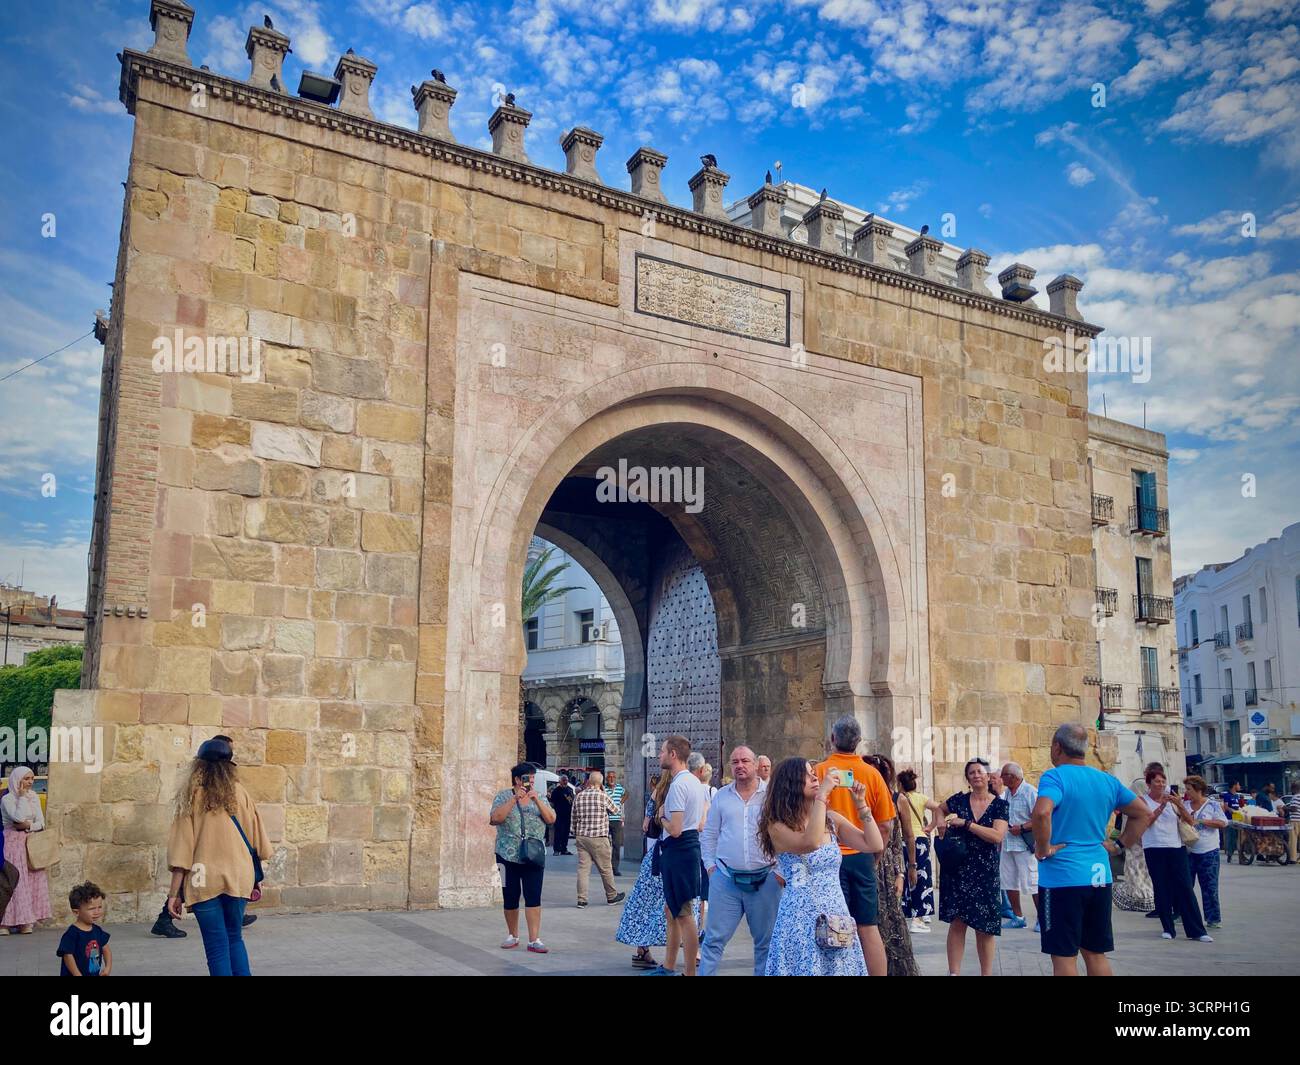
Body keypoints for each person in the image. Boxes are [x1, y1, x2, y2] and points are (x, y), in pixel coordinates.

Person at [1032, 723, 1152, 975]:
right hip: (1099, 876)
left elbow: (1042, 811)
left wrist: (1043, 848)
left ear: (1057, 747)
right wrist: (1119, 845)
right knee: (1095, 953)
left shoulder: (1055, 776)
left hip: (1062, 879)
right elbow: (1143, 813)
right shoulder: (1106, 780)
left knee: (1064, 956)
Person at [759, 757, 884, 975]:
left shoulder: (831, 820)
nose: (815, 776)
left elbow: (873, 843)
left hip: (835, 913)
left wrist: (861, 805)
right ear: (790, 783)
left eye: (813, 772)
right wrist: (822, 796)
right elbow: (810, 842)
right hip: (800, 918)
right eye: (807, 774)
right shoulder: (777, 825)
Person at [165, 737, 273, 975]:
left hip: (203, 878)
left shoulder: (191, 796)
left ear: (199, 765)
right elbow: (260, 843)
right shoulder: (241, 793)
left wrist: (173, 894)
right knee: (234, 938)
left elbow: (181, 850)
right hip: (239, 875)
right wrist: (257, 877)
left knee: (216, 946)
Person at [813, 715, 896, 975]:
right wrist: (875, 855)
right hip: (862, 856)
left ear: (832, 739)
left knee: (833, 926)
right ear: (859, 742)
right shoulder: (872, 775)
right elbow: (885, 825)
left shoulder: (820, 772)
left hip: (828, 859)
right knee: (868, 926)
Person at [699, 745, 780, 976]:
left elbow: (785, 832)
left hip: (766, 880)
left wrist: (780, 872)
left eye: (745, 761)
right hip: (726, 880)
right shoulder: (722, 796)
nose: (740, 766)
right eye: (735, 762)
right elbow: (710, 835)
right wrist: (710, 867)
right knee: (713, 941)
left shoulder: (771, 796)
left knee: (765, 944)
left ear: (755, 765)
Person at [924, 757, 1008, 976]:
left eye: (980, 771)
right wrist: (938, 823)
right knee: (958, 923)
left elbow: (997, 836)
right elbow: (939, 809)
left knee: (985, 928)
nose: (976, 775)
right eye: (972, 773)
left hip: (985, 871)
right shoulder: (959, 800)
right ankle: (954, 973)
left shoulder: (999, 805)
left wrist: (968, 824)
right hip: (958, 870)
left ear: (988, 776)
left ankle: (986, 973)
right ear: (968, 778)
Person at [617, 773, 698, 970]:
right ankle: (692, 954)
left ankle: (642, 949)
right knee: (682, 907)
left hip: (656, 856)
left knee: (646, 904)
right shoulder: (684, 791)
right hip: (675, 855)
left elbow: (646, 826)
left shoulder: (657, 793)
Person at [650, 735, 709, 976]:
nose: (659, 756)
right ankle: (669, 966)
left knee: (683, 914)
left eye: (662, 752)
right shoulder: (695, 783)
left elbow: (674, 829)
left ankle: (688, 973)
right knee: (673, 910)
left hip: (679, 850)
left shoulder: (678, 785)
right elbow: (700, 823)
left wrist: (661, 815)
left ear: (673, 754)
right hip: (689, 848)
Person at [1141, 766, 1212, 943]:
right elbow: (1146, 822)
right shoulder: (1142, 801)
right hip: (1154, 847)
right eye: (1157, 781)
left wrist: (1179, 803)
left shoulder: (1175, 800)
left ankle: (1197, 930)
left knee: (1185, 887)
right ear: (1149, 784)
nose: (1161, 784)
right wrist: (1162, 806)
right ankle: (1168, 928)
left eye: (1163, 781)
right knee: (1161, 887)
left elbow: (1191, 821)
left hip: (1176, 847)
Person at [863, 753, 919, 976]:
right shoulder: (857, 798)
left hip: (886, 869)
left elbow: (903, 838)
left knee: (890, 924)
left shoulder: (898, 799)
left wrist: (905, 871)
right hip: (863, 863)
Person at [490, 762, 555, 952]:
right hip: (505, 855)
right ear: (518, 780)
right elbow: (495, 819)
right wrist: (513, 799)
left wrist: (537, 801)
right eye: (528, 778)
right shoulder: (503, 796)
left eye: (533, 778)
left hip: (534, 855)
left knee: (533, 895)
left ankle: (534, 939)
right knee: (509, 895)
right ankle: (512, 935)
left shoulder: (540, 796)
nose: (531, 782)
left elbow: (551, 819)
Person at [0, 766, 52, 934]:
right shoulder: (8, 798)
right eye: (26, 779)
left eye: (31, 779)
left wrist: (28, 826)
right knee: (15, 882)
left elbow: (41, 823)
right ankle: (5, 923)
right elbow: (18, 818)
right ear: (17, 780)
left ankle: (26, 921)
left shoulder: (34, 797)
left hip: (29, 842)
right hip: (12, 843)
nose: (29, 783)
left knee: (31, 881)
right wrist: (21, 797)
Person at [570, 770, 624, 908]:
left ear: (588, 782)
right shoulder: (602, 795)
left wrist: (576, 832)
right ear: (600, 783)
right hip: (599, 837)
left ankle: (581, 899)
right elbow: (616, 810)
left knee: (583, 869)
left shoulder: (579, 796)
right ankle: (611, 896)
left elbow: (574, 818)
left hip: (582, 837)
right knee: (606, 869)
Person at [1000, 761, 1040, 931]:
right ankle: (1018, 917)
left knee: (1032, 882)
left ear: (1013, 777)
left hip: (1024, 844)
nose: (1001, 779)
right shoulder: (1006, 794)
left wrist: (1022, 827)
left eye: (1003, 775)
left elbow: (1041, 818)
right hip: (1008, 843)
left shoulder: (1030, 792)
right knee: (1009, 881)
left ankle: (1042, 918)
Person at [1183, 775, 1227, 929]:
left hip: (1209, 851)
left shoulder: (1212, 805)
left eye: (1189, 789)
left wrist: (1201, 821)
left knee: (1209, 887)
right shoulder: (1185, 805)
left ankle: (1212, 918)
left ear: (1198, 789)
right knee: (1186, 885)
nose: (1187, 792)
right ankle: (1184, 914)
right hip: (1189, 851)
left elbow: (1222, 823)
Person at [898, 768, 934, 933]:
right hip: (919, 839)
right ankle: (920, 916)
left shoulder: (899, 798)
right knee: (922, 877)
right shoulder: (920, 798)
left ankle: (909, 910)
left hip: (903, 839)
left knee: (904, 876)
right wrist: (930, 827)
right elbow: (940, 808)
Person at [1112, 785, 1156, 913]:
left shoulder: (1134, 809)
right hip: (1138, 845)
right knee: (1139, 873)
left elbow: (1128, 828)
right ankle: (1144, 898)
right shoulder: (1140, 808)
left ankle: (1142, 898)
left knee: (1137, 872)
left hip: (1135, 845)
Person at [57, 882, 112, 976]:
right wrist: (77, 974)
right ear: (76, 912)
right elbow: (67, 956)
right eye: (92, 909)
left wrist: (107, 968)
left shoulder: (97, 930)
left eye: (99, 907)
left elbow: (106, 949)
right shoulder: (72, 934)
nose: (97, 912)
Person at [549, 775, 575, 855]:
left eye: (566, 780)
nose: (565, 782)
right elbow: (552, 802)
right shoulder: (556, 791)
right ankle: (556, 850)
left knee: (566, 832)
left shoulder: (569, 790)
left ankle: (564, 849)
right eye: (563, 780)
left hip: (567, 814)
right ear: (560, 781)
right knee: (558, 832)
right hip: (558, 814)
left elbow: (572, 800)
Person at [606, 771, 625, 875]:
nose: (611, 779)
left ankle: (615, 868)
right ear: (606, 778)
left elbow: (627, 794)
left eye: (613, 777)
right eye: (609, 777)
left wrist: (621, 802)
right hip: (605, 820)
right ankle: (605, 867)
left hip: (616, 820)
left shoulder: (619, 788)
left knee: (616, 844)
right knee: (604, 845)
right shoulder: (603, 789)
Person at [1284, 783, 1300, 864]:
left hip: (1295, 820)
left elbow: (1294, 808)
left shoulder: (1295, 797)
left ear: (1294, 789)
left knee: (1293, 840)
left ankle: (1293, 858)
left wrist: (1285, 808)